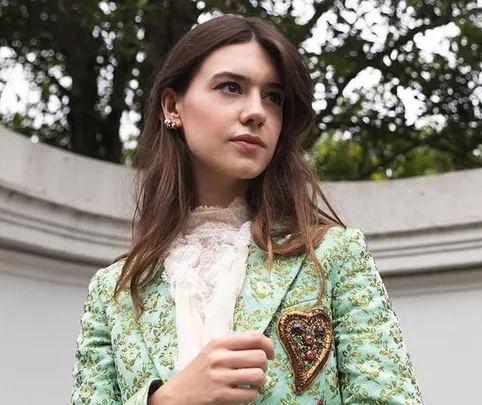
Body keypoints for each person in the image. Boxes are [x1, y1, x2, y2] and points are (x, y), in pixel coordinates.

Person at [71, 13, 423, 405]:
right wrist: (165, 402)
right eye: (230, 87)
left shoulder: (333, 256)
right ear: (172, 106)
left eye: (273, 97)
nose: (257, 111)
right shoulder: (114, 290)